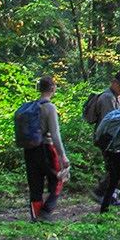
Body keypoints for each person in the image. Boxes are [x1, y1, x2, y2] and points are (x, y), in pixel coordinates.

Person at [24, 75, 70, 221]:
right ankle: (45, 212)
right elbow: (55, 135)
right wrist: (63, 155)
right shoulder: (49, 107)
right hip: (46, 149)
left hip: (30, 149)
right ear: (52, 89)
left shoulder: (30, 106)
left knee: (35, 186)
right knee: (58, 179)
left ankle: (36, 217)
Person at [90, 71, 120, 203]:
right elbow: (110, 122)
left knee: (115, 169)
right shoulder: (108, 98)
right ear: (114, 83)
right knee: (113, 168)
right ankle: (99, 192)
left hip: (114, 141)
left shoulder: (116, 96)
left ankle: (111, 197)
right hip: (107, 140)